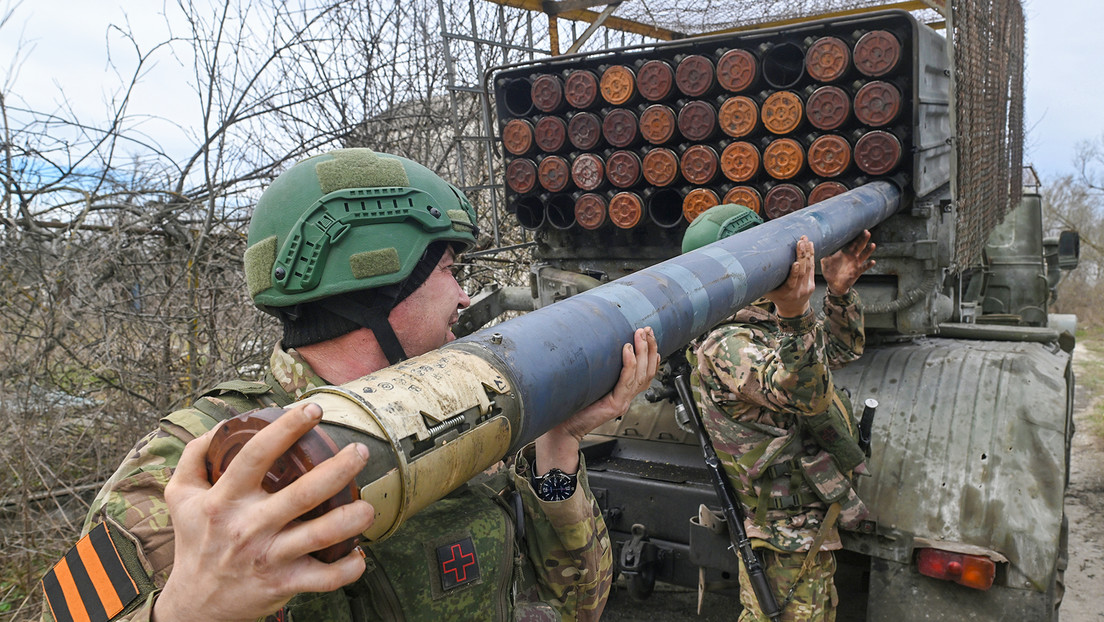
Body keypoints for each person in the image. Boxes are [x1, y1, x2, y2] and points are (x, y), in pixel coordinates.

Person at [41, 148, 659, 622]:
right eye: (449, 269)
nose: (465, 295)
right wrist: (186, 611)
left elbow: (569, 608)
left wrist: (558, 447)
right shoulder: (200, 468)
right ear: (382, 279)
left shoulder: (464, 403)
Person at [680, 204, 876, 622]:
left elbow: (837, 352)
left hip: (804, 531)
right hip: (781, 537)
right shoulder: (726, 344)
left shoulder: (760, 323)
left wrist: (838, 293)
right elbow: (806, 394)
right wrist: (795, 312)